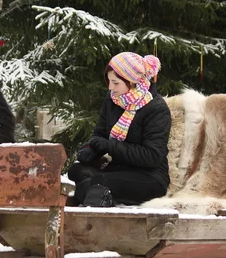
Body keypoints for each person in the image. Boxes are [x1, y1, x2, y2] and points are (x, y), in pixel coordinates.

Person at [68, 52, 171, 207]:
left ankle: (92, 196)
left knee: (96, 182)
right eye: (109, 81)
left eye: (115, 83)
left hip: (148, 177)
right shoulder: (113, 99)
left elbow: (152, 156)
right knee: (76, 170)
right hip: (117, 169)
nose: (110, 87)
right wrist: (90, 149)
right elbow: (100, 133)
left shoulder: (157, 109)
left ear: (132, 82)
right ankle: (96, 195)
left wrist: (109, 146)